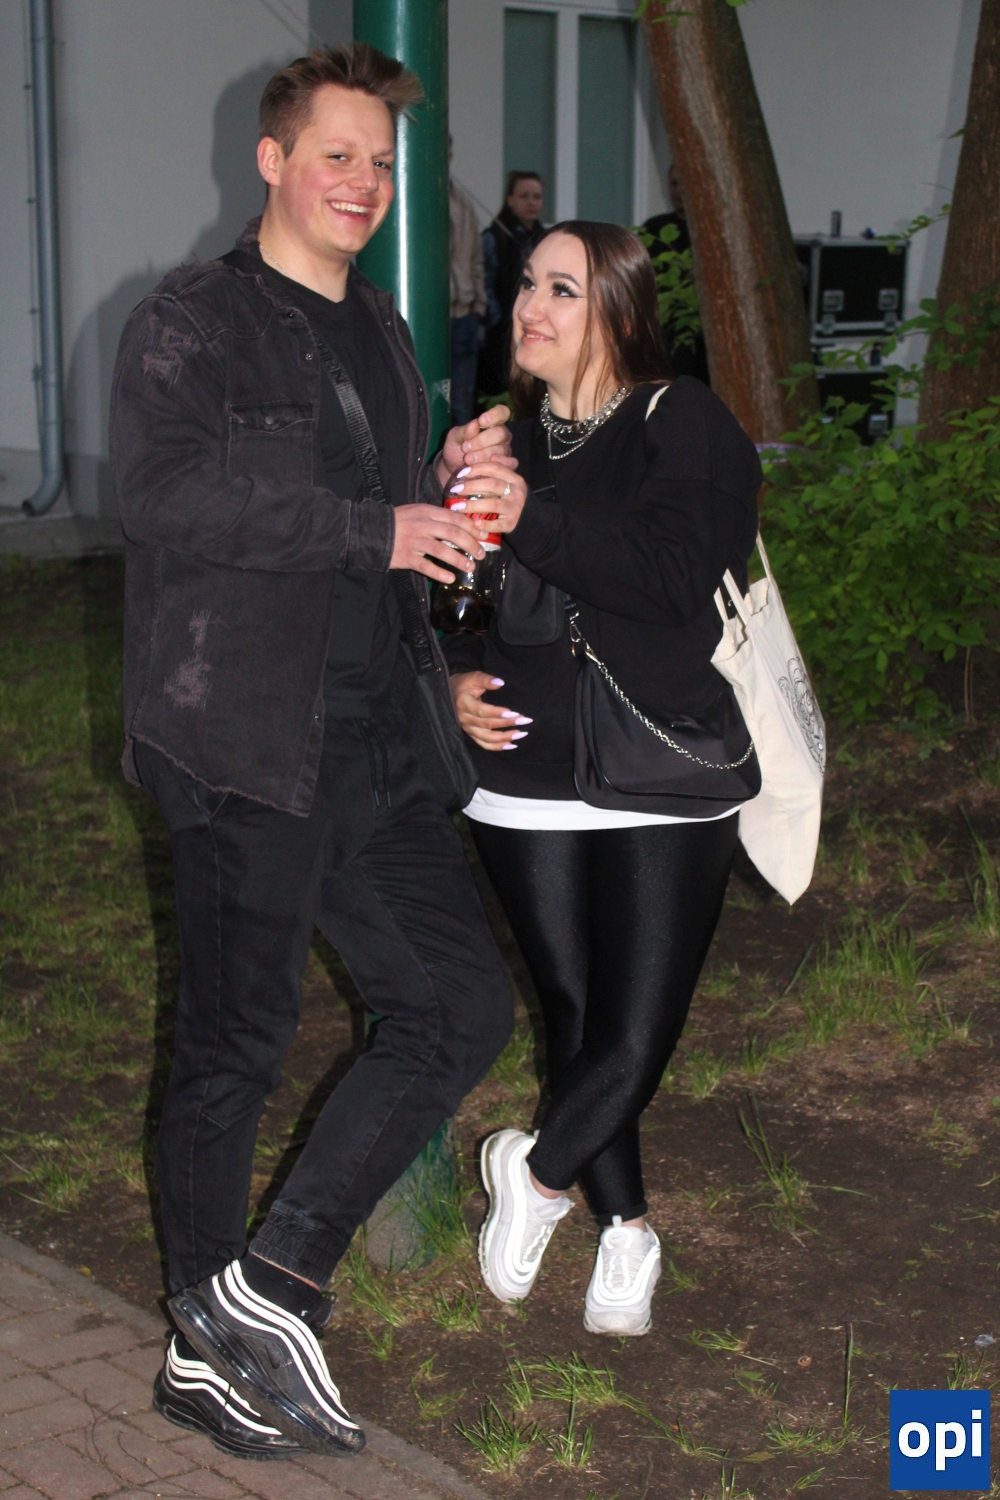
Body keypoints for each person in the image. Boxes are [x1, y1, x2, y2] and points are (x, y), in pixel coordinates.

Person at [109, 43, 518, 1462]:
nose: (363, 182)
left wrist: (448, 489)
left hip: (377, 734)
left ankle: (262, 1291)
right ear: (273, 161)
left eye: (380, 163)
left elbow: (386, 513)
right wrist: (372, 528)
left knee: (459, 1006)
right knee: (235, 1045)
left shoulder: (382, 329)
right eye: (336, 154)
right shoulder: (190, 321)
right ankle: (206, 1350)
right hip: (242, 739)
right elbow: (162, 494)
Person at [441, 221, 762, 1337]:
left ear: (619, 310)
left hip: (661, 759)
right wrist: (452, 672)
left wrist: (531, 513)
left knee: (635, 1032)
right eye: (527, 284)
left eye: (562, 290)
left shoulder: (683, 422)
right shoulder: (502, 439)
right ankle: (626, 1229)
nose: (530, 307)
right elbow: (453, 591)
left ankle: (532, 1175)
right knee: (577, 1016)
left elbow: (674, 578)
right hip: (521, 761)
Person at [478, 170, 546, 397]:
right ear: (510, 200)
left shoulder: (546, 240)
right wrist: (498, 323)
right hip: (501, 334)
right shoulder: (494, 237)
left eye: (537, 197)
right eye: (524, 196)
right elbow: (486, 283)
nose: (531, 203)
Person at [643, 162, 710, 385]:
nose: (679, 191)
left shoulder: (709, 230)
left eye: (685, 184)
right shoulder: (654, 228)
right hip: (664, 326)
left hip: (701, 329)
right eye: (674, 184)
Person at [449, 155, 487, 427]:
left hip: (464, 314)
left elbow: (476, 258)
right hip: (428, 318)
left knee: (461, 405)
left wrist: (478, 306)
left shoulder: (462, 201)